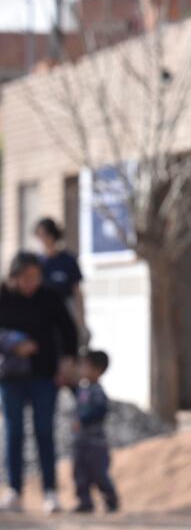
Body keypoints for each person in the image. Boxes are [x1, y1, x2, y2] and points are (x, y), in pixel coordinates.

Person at [0, 252, 78, 514]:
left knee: (45, 433)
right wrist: (14, 345)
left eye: (36, 277)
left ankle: (50, 492)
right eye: (26, 278)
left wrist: (66, 362)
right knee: (14, 433)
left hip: (45, 376)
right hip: (10, 377)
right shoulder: (3, 296)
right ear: (14, 276)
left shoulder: (49, 296)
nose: (32, 282)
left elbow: (69, 331)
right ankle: (14, 490)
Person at [70, 350, 119, 514]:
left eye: (85, 366)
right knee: (79, 473)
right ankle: (84, 502)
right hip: (80, 441)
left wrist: (83, 419)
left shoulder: (97, 391)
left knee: (99, 473)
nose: (81, 369)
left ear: (97, 370)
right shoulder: (82, 389)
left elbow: (100, 410)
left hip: (96, 443)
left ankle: (111, 499)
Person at [35, 218, 88, 348]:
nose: (43, 239)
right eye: (39, 235)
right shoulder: (37, 263)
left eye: (45, 235)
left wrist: (81, 321)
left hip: (66, 307)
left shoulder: (68, 260)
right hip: (44, 310)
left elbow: (77, 291)